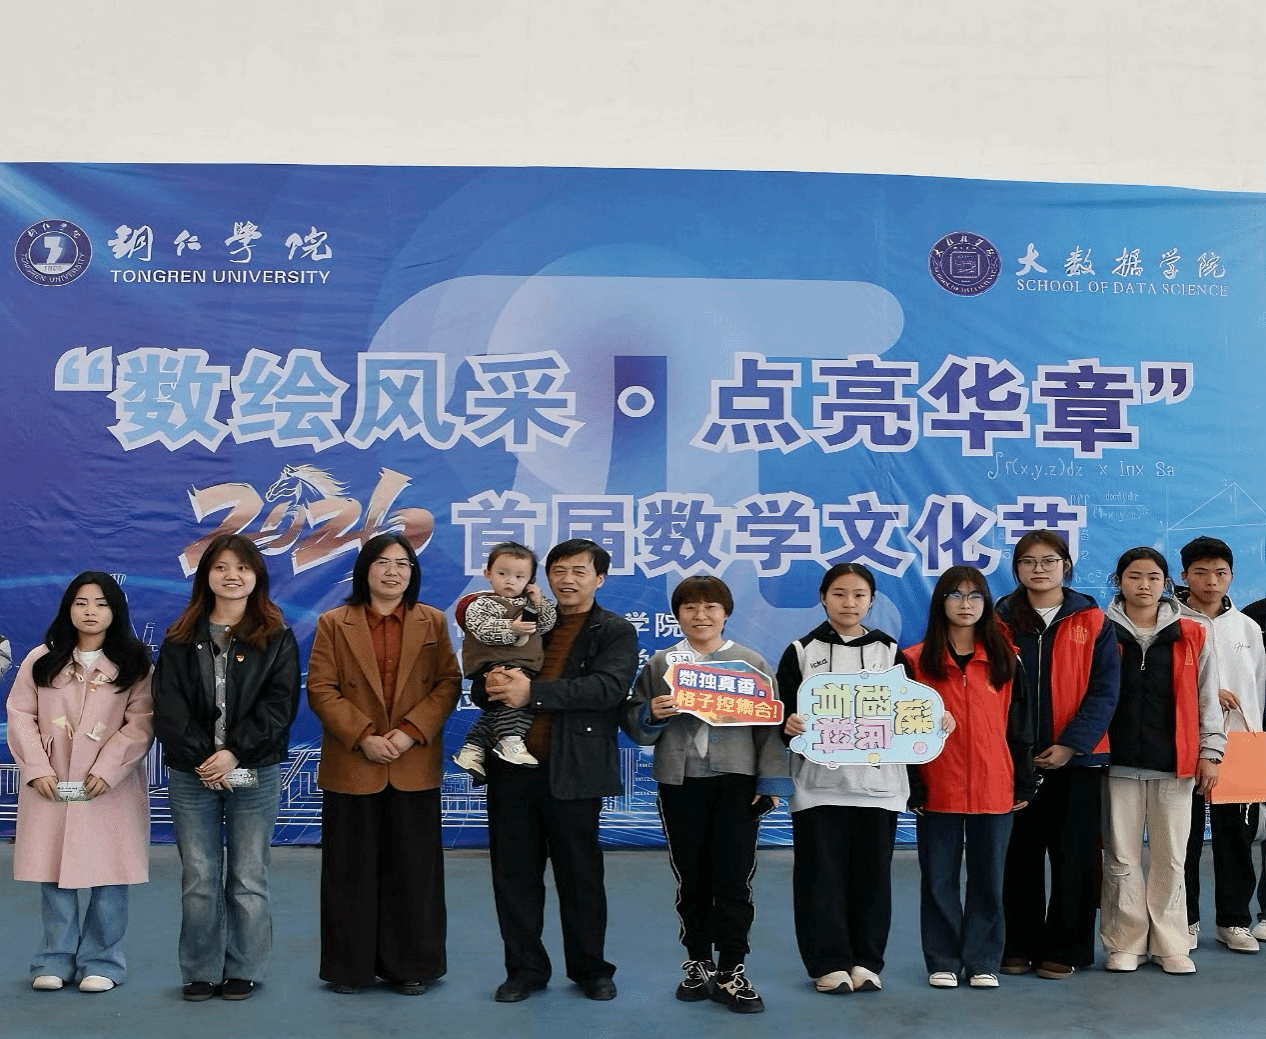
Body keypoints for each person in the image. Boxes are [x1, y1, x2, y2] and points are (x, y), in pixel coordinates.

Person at [479, 538, 639, 1003]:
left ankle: (591, 969)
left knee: (580, 876)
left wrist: (534, 694)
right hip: (512, 768)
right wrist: (490, 683)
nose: (567, 580)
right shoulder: (524, 618)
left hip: (574, 769)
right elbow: (482, 681)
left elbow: (607, 688)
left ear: (599, 579)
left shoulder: (614, 630)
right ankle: (524, 970)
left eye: (579, 571)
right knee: (514, 876)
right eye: (558, 571)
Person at [623, 575, 790, 1013]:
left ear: (726, 613)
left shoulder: (751, 663)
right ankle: (698, 961)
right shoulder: (661, 664)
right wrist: (651, 713)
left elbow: (770, 727)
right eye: (690, 607)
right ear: (677, 615)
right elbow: (636, 722)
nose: (701, 615)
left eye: (711, 606)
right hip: (680, 781)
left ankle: (732, 967)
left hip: (737, 782)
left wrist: (771, 785)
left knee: (734, 877)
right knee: (691, 876)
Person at [306, 533, 461, 995]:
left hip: (413, 762)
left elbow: (448, 683)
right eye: (383, 562)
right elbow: (321, 687)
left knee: (414, 871)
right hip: (354, 762)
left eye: (403, 563)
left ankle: (411, 966)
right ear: (365, 570)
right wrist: (363, 736)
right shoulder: (334, 622)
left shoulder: (432, 621)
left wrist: (410, 731)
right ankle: (349, 969)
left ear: (413, 573)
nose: (393, 571)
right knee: (348, 870)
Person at [152, 534, 301, 1002]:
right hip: (191, 774)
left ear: (256, 576)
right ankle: (199, 971)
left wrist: (234, 751)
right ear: (206, 576)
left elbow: (280, 706)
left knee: (248, 876)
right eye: (221, 567)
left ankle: (244, 968)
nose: (231, 575)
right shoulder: (180, 636)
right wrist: (204, 758)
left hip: (254, 771)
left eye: (242, 567)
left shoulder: (277, 636)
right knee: (199, 877)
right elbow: (168, 706)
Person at [7, 573, 153, 993]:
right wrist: (37, 768)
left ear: (116, 611)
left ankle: (102, 962)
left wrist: (108, 769)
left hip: (109, 787)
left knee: (110, 874)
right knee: (53, 873)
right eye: (81, 602)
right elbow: (20, 715)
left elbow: (141, 722)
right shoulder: (42, 659)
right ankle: (53, 959)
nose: (91, 612)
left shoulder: (135, 664)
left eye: (101, 604)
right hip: (50, 784)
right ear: (68, 608)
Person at [903, 566, 1038, 990]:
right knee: (938, 879)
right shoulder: (913, 661)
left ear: (986, 603)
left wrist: (1024, 779)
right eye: (955, 595)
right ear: (940, 603)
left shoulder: (1006, 658)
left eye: (975, 595)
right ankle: (942, 959)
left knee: (988, 880)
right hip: (937, 784)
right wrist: (914, 784)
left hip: (994, 784)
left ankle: (982, 960)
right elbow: (900, 731)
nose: (966, 604)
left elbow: (1021, 726)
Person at [777, 563, 907, 996]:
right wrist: (788, 725)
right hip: (818, 786)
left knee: (873, 879)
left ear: (871, 600)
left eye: (858, 594)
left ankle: (866, 961)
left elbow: (907, 714)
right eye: (839, 594)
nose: (849, 603)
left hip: (878, 787)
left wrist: (935, 721)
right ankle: (828, 963)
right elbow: (782, 715)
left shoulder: (889, 651)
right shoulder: (801, 650)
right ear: (823, 597)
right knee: (821, 878)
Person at [996, 531, 1120, 980]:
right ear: (1017, 569)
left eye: (1049, 560)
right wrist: (1014, 747)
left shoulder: (1093, 620)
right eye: (1028, 561)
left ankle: (1066, 948)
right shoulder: (1000, 620)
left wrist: (1071, 744)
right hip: (1014, 760)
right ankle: (1017, 945)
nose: (1039, 569)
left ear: (1066, 565)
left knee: (1075, 857)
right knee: (1018, 857)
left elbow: (1105, 690)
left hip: (1078, 761)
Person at [1101, 546, 1224, 975]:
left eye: (1154, 577)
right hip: (1115, 762)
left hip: (1176, 763)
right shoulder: (1101, 631)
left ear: (1167, 584)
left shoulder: (1192, 632)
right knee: (1121, 857)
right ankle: (1125, 942)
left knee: (1172, 857)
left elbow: (1208, 697)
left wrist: (1210, 752)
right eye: (1134, 576)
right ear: (1119, 582)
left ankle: (1171, 943)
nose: (1144, 585)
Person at [1173, 537, 1266, 953]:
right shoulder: (1170, 621)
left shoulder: (1247, 627)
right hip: (1184, 741)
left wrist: (1253, 736)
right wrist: (1209, 695)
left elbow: (1258, 687)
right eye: (1201, 572)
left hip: (1243, 742)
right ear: (1184, 575)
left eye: (1220, 573)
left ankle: (1234, 920)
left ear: (1231, 576)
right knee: (1185, 837)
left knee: (1236, 839)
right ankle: (1186, 920)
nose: (1211, 581)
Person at [452, 541, 557, 777]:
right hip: (493, 669)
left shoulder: (531, 604)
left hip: (524, 670)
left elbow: (547, 625)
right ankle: (511, 740)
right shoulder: (480, 603)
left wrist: (539, 602)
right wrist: (512, 627)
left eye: (519, 576)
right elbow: (482, 629)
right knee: (517, 704)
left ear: (530, 580)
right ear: (487, 574)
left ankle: (472, 748)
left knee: (498, 712)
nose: (510, 581)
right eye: (502, 574)